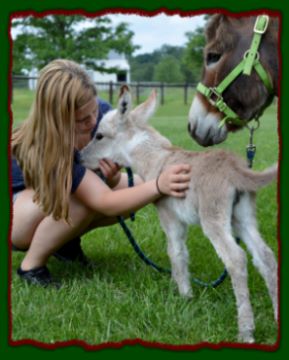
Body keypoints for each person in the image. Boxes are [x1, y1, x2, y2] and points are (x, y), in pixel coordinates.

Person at [11, 59, 191, 287]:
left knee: (138, 185)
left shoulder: (100, 116)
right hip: (18, 216)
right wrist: (158, 186)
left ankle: (63, 243)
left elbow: (109, 184)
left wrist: (114, 178)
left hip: (47, 201)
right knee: (82, 200)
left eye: (94, 109)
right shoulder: (51, 146)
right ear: (60, 120)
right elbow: (104, 201)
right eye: (83, 119)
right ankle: (31, 266)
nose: (93, 120)